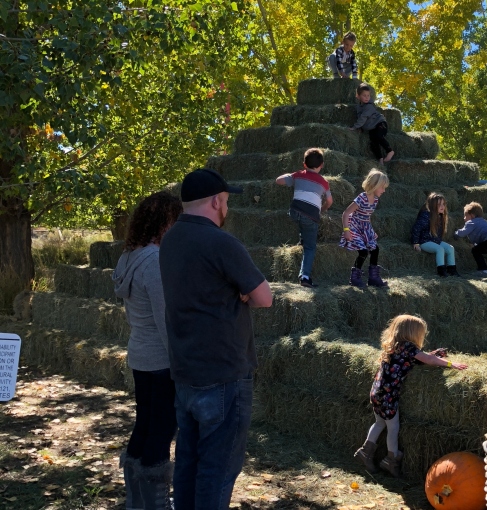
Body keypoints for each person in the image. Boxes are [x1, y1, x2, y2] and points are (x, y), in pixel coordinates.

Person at [159, 168, 273, 509]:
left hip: (186, 370)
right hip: (223, 373)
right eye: (225, 201)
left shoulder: (170, 239)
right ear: (215, 201)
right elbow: (265, 297)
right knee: (218, 469)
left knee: (189, 464)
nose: (226, 208)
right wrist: (242, 292)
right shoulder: (222, 242)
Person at [114, 191, 182, 510]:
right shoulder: (154, 261)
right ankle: (154, 502)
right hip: (160, 359)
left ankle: (135, 499)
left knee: (144, 424)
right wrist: (181, 363)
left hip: (140, 355)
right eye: (174, 220)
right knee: (161, 430)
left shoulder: (129, 256)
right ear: (163, 222)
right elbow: (165, 318)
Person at [353, 315, 467, 477]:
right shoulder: (408, 346)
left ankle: (365, 452)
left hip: (377, 392)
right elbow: (427, 359)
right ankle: (390, 460)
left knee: (379, 423)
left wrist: (434, 355)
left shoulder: (395, 346)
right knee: (393, 428)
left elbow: (421, 358)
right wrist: (450, 364)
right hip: (388, 396)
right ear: (413, 333)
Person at [275, 148, 333, 288]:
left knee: (302, 221)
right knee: (310, 247)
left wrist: (291, 175)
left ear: (304, 164)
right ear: (322, 165)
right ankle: (305, 277)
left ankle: (302, 238)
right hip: (311, 215)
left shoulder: (298, 175)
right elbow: (330, 201)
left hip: (294, 212)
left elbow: (278, 181)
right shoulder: (324, 182)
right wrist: (321, 210)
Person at [340, 169, 390, 288]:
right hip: (354, 227)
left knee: (375, 249)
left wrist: (371, 232)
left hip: (365, 227)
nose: (384, 190)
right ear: (374, 185)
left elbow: (367, 217)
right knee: (363, 251)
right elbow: (346, 213)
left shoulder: (376, 200)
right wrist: (346, 231)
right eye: (382, 187)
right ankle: (354, 278)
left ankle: (373, 278)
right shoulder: (362, 197)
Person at [411, 192, 458, 277]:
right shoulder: (426, 215)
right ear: (433, 205)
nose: (442, 206)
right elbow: (416, 228)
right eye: (439, 204)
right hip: (424, 241)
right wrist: (416, 243)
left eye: (444, 204)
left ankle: (452, 270)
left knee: (450, 248)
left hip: (435, 241)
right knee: (440, 249)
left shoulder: (440, 216)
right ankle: (441, 271)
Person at [350, 82, 394, 166]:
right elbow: (361, 118)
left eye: (368, 95)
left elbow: (363, 118)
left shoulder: (369, 106)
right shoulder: (359, 107)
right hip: (372, 128)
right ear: (358, 96)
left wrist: (355, 127)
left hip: (380, 124)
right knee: (373, 142)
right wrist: (361, 128)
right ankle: (380, 159)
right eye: (364, 95)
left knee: (378, 136)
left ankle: (390, 151)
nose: (367, 97)